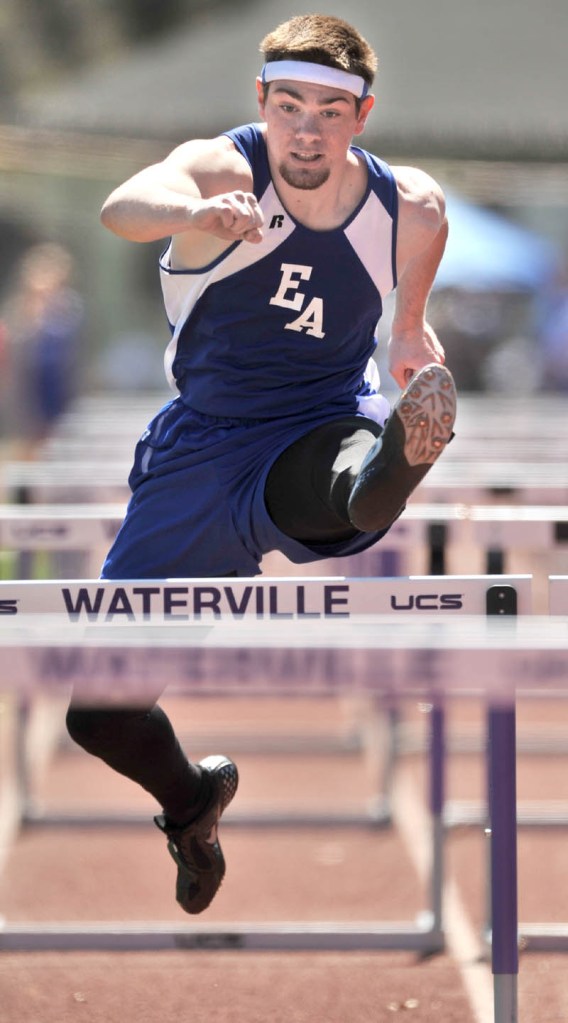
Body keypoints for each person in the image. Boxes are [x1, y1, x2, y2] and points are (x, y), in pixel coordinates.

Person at [66, 13, 456, 916]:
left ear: (362, 115)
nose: (307, 130)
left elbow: (427, 227)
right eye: (289, 106)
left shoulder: (406, 203)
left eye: (329, 110)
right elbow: (120, 206)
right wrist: (194, 215)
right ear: (262, 104)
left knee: (346, 492)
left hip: (320, 422)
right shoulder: (222, 168)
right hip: (199, 454)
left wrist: (406, 325)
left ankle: (392, 464)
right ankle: (193, 803)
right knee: (100, 715)